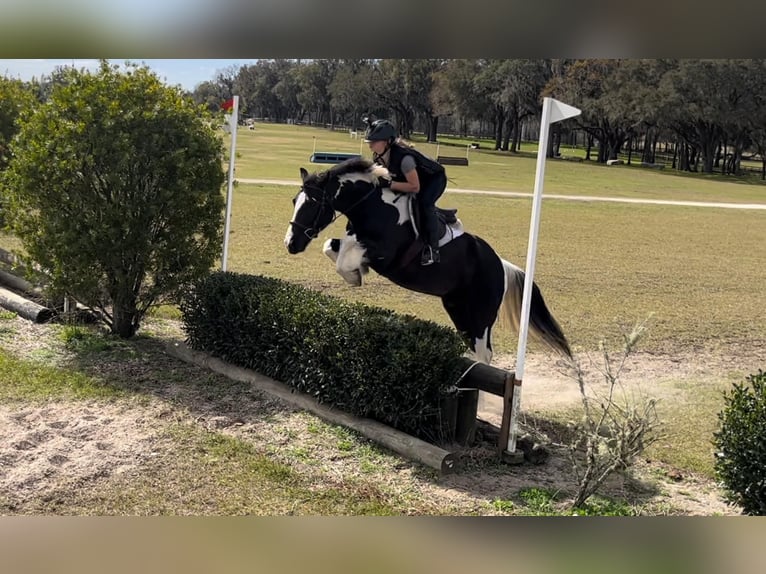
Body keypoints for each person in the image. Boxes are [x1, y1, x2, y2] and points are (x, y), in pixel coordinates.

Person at [364, 119, 447, 266]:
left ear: (388, 141)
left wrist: (390, 184)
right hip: (412, 180)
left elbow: (415, 187)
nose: (370, 145)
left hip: (433, 180)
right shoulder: (379, 155)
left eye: (374, 141)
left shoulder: (405, 159)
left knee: (424, 204)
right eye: (370, 141)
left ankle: (433, 250)